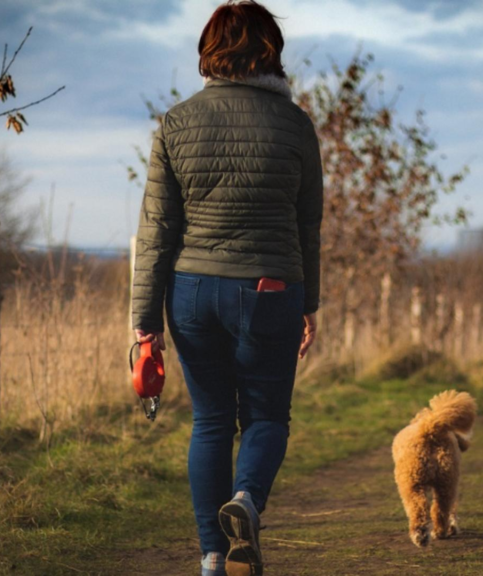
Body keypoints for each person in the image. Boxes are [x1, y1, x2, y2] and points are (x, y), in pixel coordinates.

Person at [130, 2, 323, 574]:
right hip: (269, 289)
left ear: (210, 52)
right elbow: (306, 224)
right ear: (271, 52)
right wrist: (309, 303)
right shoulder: (296, 126)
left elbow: (156, 229)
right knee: (265, 419)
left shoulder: (176, 122)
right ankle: (245, 504)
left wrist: (145, 322)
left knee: (211, 421)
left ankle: (213, 557)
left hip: (191, 293)